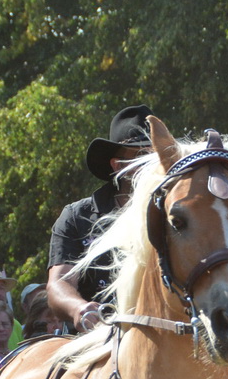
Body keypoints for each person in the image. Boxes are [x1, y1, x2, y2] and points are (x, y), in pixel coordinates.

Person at [47, 104, 153, 330]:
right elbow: (59, 284)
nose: (152, 163)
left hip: (164, 342)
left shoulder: (177, 215)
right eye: (141, 155)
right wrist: (79, 309)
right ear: (117, 166)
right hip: (95, 343)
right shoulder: (77, 217)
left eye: (157, 154)